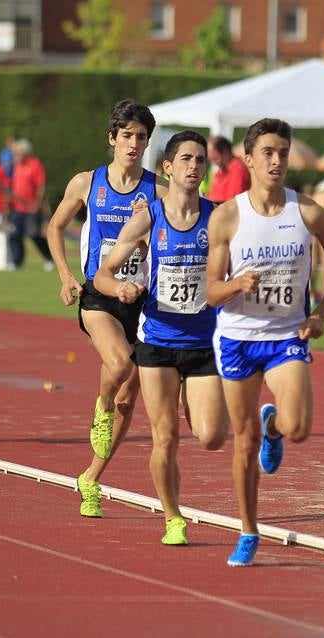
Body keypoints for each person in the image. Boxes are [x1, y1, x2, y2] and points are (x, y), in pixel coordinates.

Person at [206, 118, 324, 566]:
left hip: (287, 334)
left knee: (299, 428)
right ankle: (248, 531)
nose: (276, 161)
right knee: (243, 441)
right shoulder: (227, 216)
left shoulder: (306, 212)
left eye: (283, 153)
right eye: (268, 153)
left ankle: (275, 426)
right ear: (248, 159)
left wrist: (321, 313)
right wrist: (236, 285)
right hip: (237, 338)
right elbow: (211, 291)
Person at [94, 130, 240, 546]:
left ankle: (199, 406)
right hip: (157, 343)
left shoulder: (219, 217)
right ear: (168, 168)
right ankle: (173, 517)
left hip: (203, 343)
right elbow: (103, 274)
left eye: (201, 160)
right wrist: (120, 288)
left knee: (210, 436)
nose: (195, 166)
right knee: (165, 437)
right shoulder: (148, 218)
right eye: (187, 159)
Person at [46, 99, 168, 518]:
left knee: (129, 400)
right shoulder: (87, 183)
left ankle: (91, 479)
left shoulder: (158, 191)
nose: (134, 144)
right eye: (127, 136)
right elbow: (55, 227)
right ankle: (101, 408)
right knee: (119, 365)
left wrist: (147, 229)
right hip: (98, 294)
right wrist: (66, 276)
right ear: (112, 138)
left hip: (142, 299)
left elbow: (172, 243)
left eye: (141, 138)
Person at [9, 139, 53, 270]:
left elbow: (40, 185)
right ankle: (16, 262)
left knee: (34, 234)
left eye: (19, 152)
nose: (16, 155)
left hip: (32, 208)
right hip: (17, 208)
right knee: (14, 235)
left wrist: (37, 203)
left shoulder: (35, 165)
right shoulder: (16, 165)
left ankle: (49, 258)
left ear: (26, 152)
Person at [207, 135, 250, 204]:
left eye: (215, 158)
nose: (214, 163)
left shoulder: (238, 170)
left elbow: (232, 202)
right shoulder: (220, 172)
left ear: (225, 151)